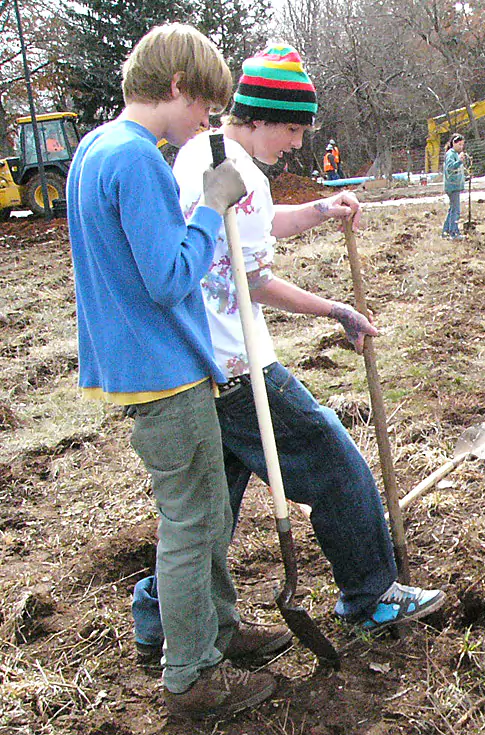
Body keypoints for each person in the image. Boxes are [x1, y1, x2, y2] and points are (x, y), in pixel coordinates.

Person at [132, 43, 446, 660]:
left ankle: (159, 616)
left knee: (206, 517)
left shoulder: (204, 153)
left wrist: (323, 209)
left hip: (195, 364)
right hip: (239, 364)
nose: (298, 143)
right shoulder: (240, 172)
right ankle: (372, 594)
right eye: (294, 129)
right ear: (261, 118)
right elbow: (254, 281)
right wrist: (336, 310)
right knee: (336, 464)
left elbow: (259, 223)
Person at [67, 23, 282, 720]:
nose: (205, 126)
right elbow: (168, 276)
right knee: (193, 523)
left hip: (138, 364)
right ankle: (191, 675)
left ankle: (219, 631)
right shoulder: (137, 161)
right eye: (204, 109)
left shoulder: (94, 149)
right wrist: (211, 207)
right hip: (166, 373)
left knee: (206, 511)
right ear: (178, 87)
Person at [442, 133, 467, 239]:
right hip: (452, 186)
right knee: (456, 210)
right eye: (459, 145)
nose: (461, 147)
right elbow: (450, 168)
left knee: (452, 209)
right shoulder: (451, 154)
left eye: (462, 145)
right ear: (454, 143)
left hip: (455, 185)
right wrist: (459, 161)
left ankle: (446, 231)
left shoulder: (454, 154)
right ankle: (454, 233)